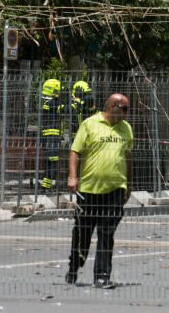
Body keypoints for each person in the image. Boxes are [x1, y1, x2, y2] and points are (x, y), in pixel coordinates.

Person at [66, 93, 133, 288]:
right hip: (88, 190)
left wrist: (129, 183)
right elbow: (75, 151)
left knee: (106, 232)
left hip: (115, 189)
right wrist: (72, 176)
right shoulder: (90, 123)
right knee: (83, 232)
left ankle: (102, 276)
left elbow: (128, 157)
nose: (127, 114)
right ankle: (74, 265)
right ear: (112, 106)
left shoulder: (126, 129)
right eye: (124, 109)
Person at [40, 78, 63, 191]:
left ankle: (46, 186)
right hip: (53, 137)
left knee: (50, 162)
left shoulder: (46, 102)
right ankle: (46, 186)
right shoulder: (52, 103)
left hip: (48, 137)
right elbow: (64, 110)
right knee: (52, 163)